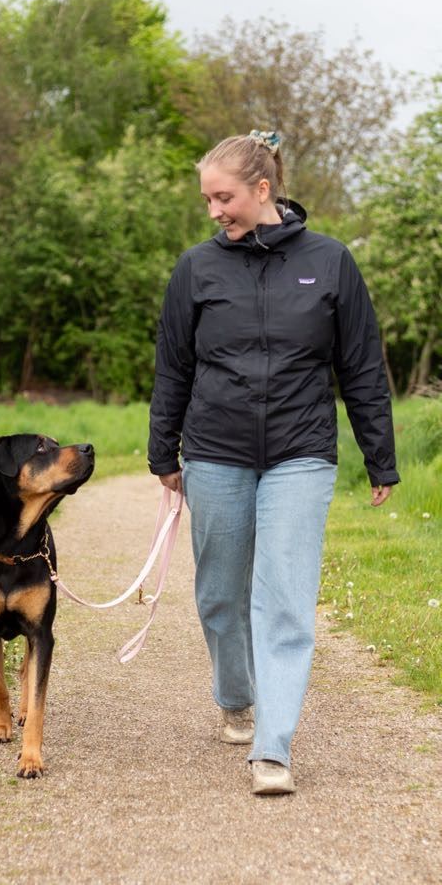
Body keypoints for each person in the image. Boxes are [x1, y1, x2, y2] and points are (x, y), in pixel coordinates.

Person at [147, 130, 399, 795]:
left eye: (222, 197)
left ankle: (273, 747)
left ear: (262, 190)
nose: (213, 212)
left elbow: (361, 368)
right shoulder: (195, 269)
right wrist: (162, 453)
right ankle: (235, 694)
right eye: (206, 199)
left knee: (286, 599)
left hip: (300, 453)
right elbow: (173, 366)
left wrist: (380, 457)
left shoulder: (331, 261)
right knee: (221, 594)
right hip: (215, 450)